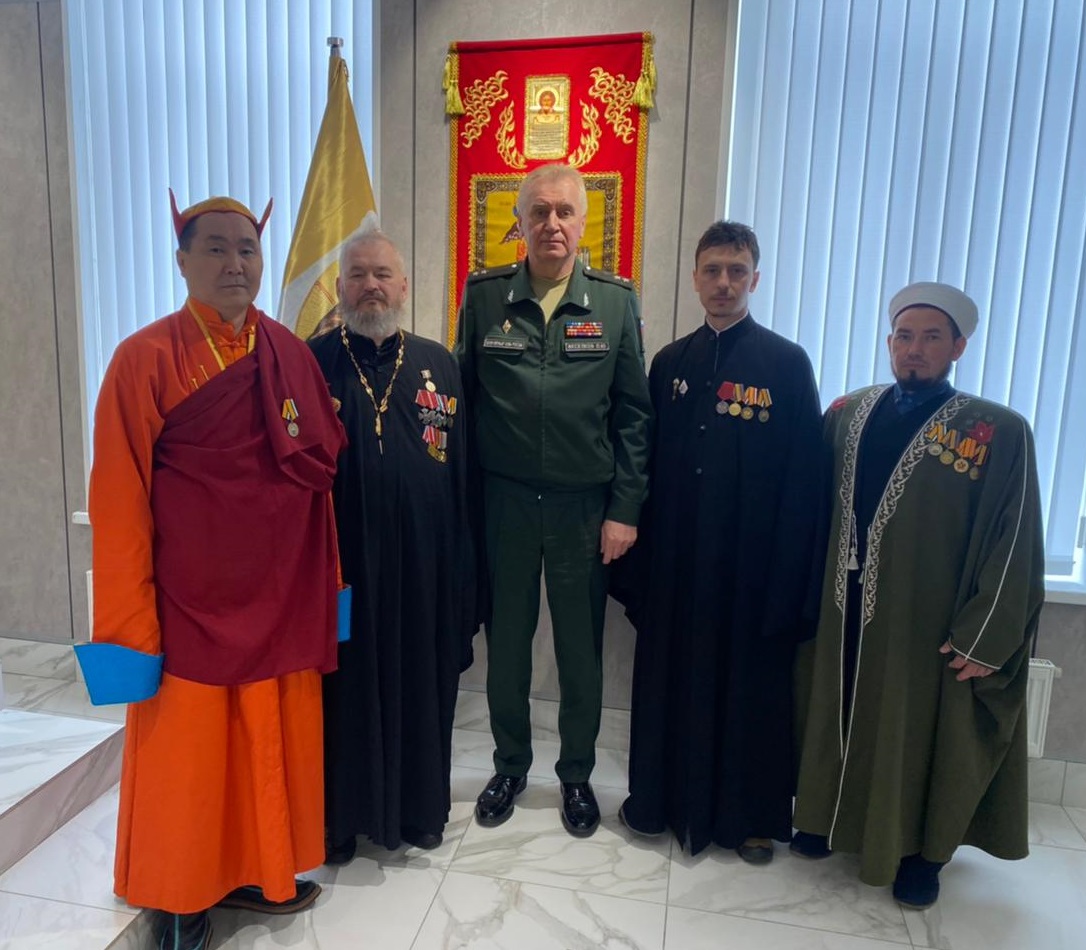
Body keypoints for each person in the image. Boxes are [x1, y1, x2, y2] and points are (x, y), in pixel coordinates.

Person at [80, 191, 346, 950]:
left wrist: (327, 590)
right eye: (217, 249)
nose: (236, 263)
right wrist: (129, 629)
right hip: (190, 601)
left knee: (269, 740)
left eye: (247, 249)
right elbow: (120, 499)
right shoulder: (144, 358)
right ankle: (182, 896)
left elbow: (318, 484)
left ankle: (261, 871)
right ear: (182, 261)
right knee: (190, 757)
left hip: (279, 593)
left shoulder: (288, 352)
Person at [792, 281, 1045, 909]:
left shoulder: (997, 431)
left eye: (932, 337)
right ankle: (822, 817)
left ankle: (919, 854)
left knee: (916, 730)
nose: (915, 349)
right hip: (840, 606)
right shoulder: (847, 412)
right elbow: (804, 506)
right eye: (904, 336)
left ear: (958, 346)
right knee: (832, 709)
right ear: (889, 342)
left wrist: (986, 635)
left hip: (924, 618)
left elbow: (1015, 539)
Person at [456, 164, 652, 838]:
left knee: (579, 649)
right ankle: (510, 765)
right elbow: (463, 400)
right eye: (538, 211)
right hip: (505, 503)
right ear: (520, 222)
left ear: (583, 222)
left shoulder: (615, 303)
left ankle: (575, 775)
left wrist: (624, 509)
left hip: (583, 509)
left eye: (565, 211)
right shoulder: (485, 297)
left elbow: (633, 416)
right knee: (506, 644)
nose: (552, 224)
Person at [619, 221, 823, 863]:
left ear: (755, 279)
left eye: (737, 271)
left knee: (749, 693)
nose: (724, 283)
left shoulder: (787, 364)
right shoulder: (669, 364)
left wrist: (789, 582)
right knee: (672, 683)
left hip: (752, 573)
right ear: (695, 278)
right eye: (713, 270)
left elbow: (805, 481)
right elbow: (644, 465)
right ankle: (660, 802)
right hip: (678, 566)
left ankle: (750, 820)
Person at [310, 227, 476, 861]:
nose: (371, 286)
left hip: (423, 568)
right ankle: (340, 821)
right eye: (357, 275)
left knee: (420, 682)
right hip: (340, 567)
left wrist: (464, 575)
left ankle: (418, 811)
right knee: (342, 693)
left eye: (382, 274)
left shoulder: (441, 364)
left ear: (404, 286)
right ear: (339, 287)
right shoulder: (310, 362)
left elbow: (462, 476)